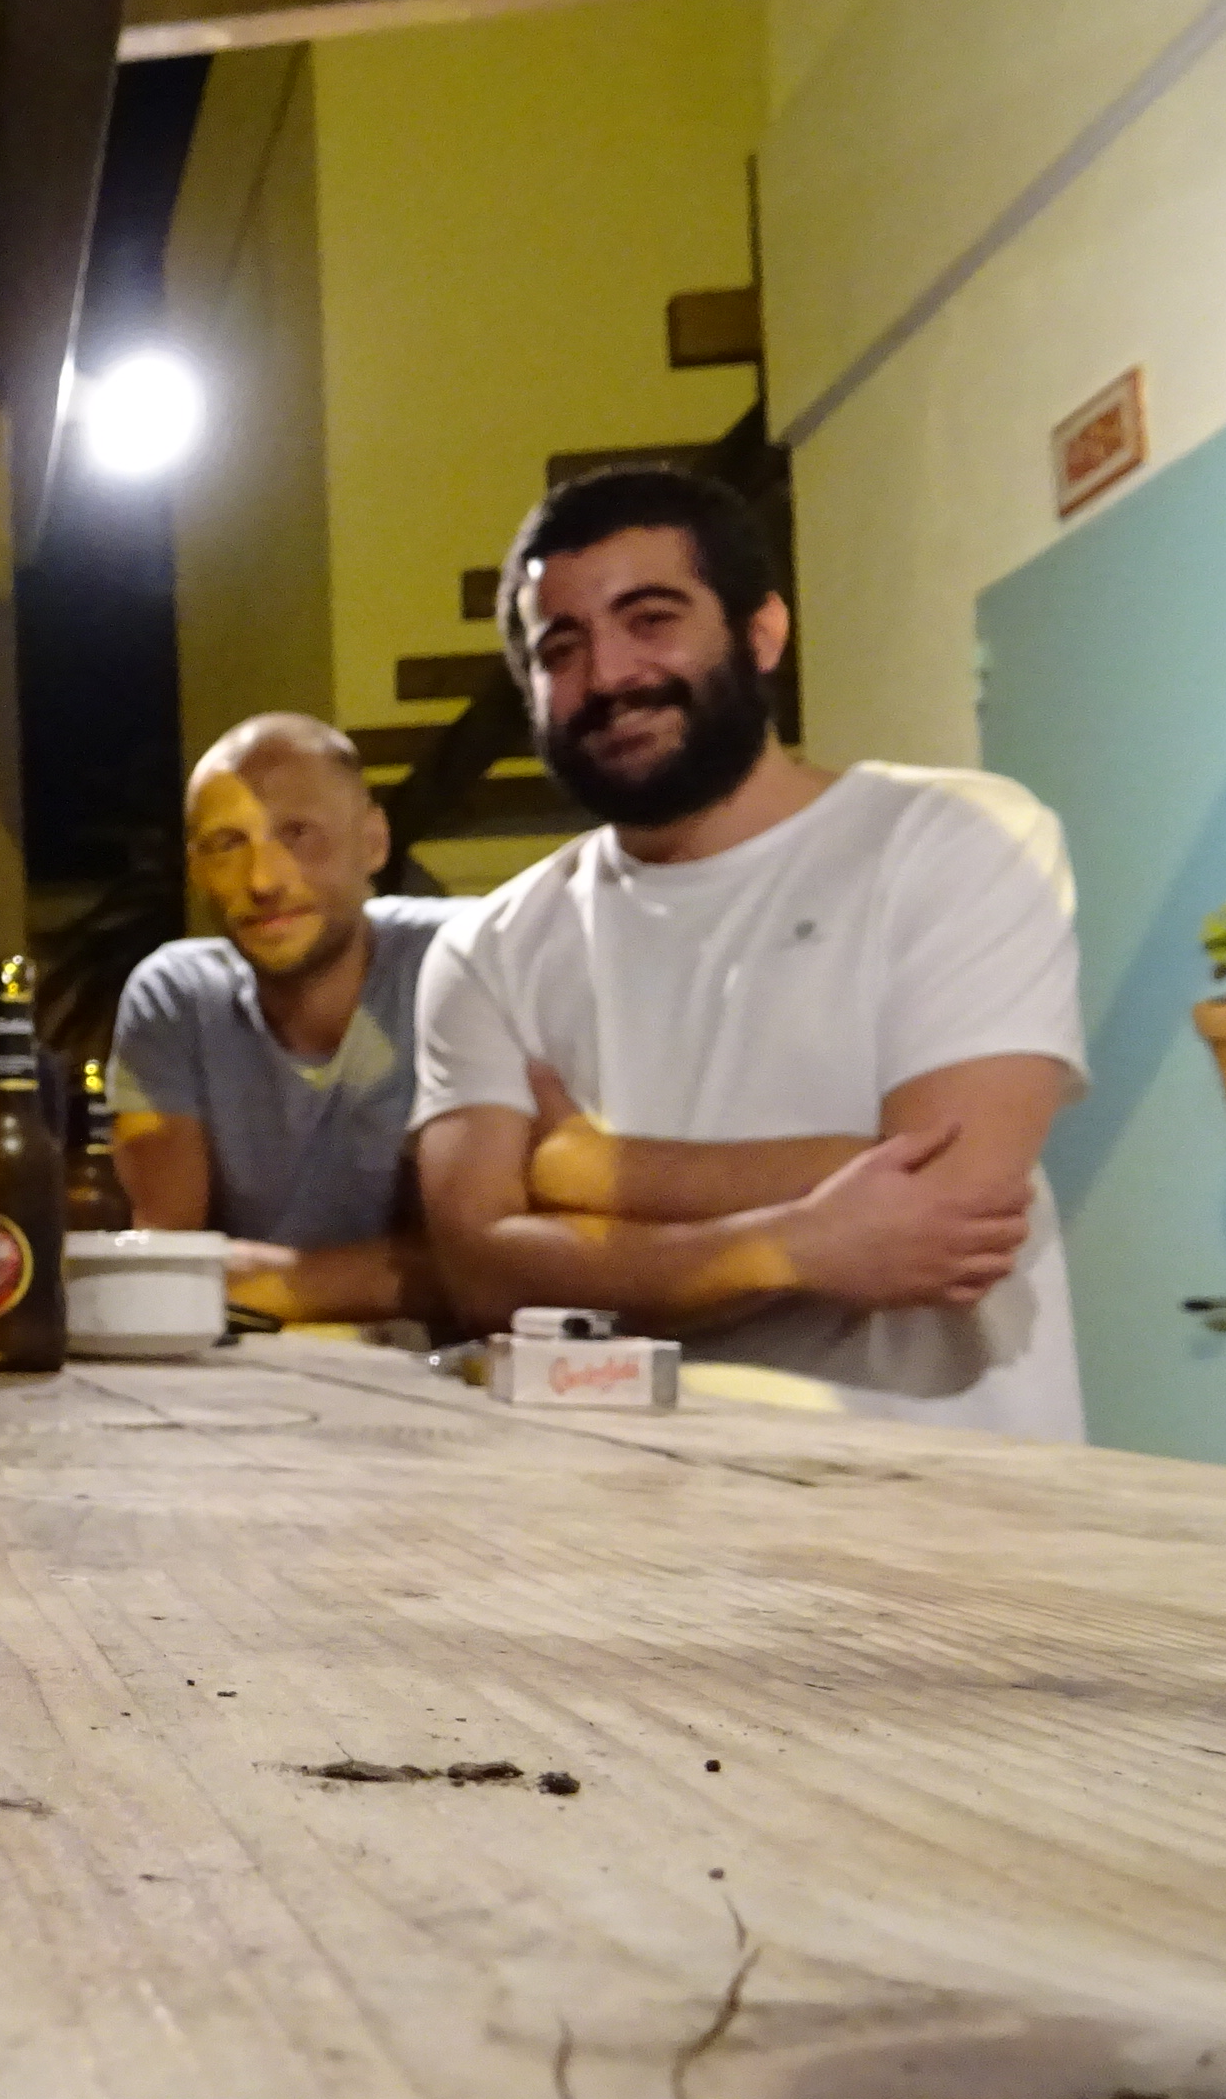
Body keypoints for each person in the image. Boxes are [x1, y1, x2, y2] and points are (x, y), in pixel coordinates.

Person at [411, 463, 1086, 1438]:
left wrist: (588, 1171)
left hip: (948, 1498)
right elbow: (485, 1278)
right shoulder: (487, 946)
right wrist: (791, 1246)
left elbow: (951, 1210)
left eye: (652, 619)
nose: (609, 676)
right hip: (620, 1503)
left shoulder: (956, 841)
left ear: (762, 632)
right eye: (562, 647)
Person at [108, 714, 464, 1325]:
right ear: (196, 869)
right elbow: (164, 1267)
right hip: (249, 1370)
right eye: (227, 845)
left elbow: (488, 1265)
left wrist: (246, 1280)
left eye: (297, 834)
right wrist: (402, 1273)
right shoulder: (174, 998)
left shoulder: (461, 960)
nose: (264, 880)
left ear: (373, 842)